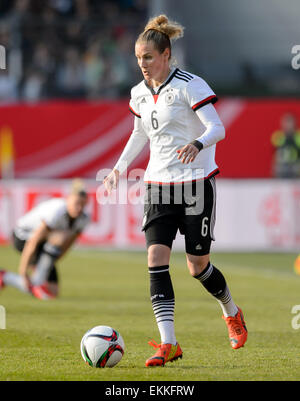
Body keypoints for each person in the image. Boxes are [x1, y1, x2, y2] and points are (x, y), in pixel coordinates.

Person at [103, 15, 247, 367]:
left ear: (166, 55)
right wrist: (119, 170)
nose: (142, 64)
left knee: (197, 267)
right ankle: (169, 343)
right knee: (155, 260)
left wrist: (198, 144)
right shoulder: (139, 93)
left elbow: (217, 127)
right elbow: (140, 134)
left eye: (148, 57)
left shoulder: (189, 85)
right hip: (157, 186)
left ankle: (231, 310)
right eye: (138, 58)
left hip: (196, 183)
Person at [0, 180, 89, 300]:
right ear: (68, 199)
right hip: (22, 237)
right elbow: (33, 241)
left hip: (43, 245)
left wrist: (50, 263)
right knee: (59, 237)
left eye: (83, 204)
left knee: (52, 291)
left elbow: (68, 244)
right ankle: (10, 278)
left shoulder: (83, 219)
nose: (79, 208)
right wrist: (23, 272)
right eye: (76, 203)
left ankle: (7, 278)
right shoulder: (57, 212)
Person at [271, 112, 300, 178]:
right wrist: (274, 169)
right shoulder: (278, 136)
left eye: (290, 122)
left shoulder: (298, 137)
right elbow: (275, 155)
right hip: (282, 168)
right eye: (286, 122)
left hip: (295, 168)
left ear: (295, 123)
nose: (287, 125)